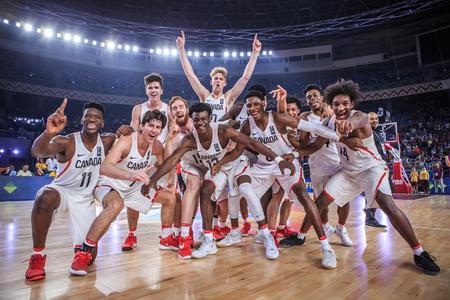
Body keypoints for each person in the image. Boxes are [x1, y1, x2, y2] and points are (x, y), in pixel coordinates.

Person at [299, 79, 440, 275]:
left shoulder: (361, 117)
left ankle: (419, 252)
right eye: (336, 104)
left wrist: (346, 124)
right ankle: (300, 236)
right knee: (320, 202)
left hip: (371, 168)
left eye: (345, 104)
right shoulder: (327, 122)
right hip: (348, 172)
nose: (340, 107)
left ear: (352, 104)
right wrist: (295, 154)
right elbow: (315, 145)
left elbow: (356, 122)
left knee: (387, 204)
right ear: (330, 105)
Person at [145, 102, 295, 260]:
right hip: (219, 169)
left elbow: (251, 142)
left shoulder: (223, 130)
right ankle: (209, 241)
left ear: (210, 119)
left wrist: (278, 160)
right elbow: (172, 159)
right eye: (196, 120)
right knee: (205, 191)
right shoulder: (190, 139)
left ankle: (266, 235)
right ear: (192, 119)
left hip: (237, 163)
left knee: (246, 190)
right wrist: (153, 180)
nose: (200, 123)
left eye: (203, 119)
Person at [237, 86, 361, 268]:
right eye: (249, 105)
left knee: (304, 196)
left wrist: (342, 139)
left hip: (287, 161)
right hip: (265, 164)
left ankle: (326, 246)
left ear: (264, 103)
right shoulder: (247, 124)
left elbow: (313, 128)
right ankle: (265, 234)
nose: (253, 108)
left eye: (256, 104)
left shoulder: (278, 118)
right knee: (241, 187)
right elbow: (245, 144)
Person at [70, 110, 175, 276]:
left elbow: (163, 166)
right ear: (141, 126)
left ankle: (166, 237)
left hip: (133, 188)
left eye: (158, 127)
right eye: (150, 125)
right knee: (115, 205)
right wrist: (130, 175)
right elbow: (104, 167)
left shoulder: (156, 146)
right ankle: (83, 252)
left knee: (170, 198)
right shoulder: (126, 142)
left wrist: (164, 182)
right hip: (109, 183)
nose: (154, 130)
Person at [25, 99, 116, 281]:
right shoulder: (66, 142)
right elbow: (38, 151)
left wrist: (127, 131)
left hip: (85, 199)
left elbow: (127, 143)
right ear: (81, 120)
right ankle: (38, 256)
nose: (92, 119)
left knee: (90, 259)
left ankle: (79, 249)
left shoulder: (107, 140)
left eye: (96, 117)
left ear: (102, 122)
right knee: (44, 196)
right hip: (63, 191)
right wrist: (48, 133)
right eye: (88, 116)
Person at [279, 84, 354, 248]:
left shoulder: (334, 113)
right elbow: (303, 144)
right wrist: (293, 138)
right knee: (321, 204)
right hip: (316, 167)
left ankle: (341, 229)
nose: (312, 99)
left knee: (343, 200)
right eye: (308, 98)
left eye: (314, 95)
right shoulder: (306, 118)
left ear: (322, 98)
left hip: (336, 163)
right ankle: (326, 227)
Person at [117, 73, 177, 252]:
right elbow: (134, 130)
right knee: (134, 193)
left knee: (171, 195)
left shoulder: (167, 109)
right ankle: (131, 234)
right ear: (146, 90)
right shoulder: (138, 109)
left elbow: (173, 133)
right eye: (150, 87)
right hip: (141, 155)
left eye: (156, 87)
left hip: (161, 154)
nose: (153, 90)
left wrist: (168, 163)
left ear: (161, 90)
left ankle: (169, 235)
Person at [176, 31, 261, 121]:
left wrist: (255, 54)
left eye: (221, 79)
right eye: (215, 78)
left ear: (225, 83)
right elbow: (190, 75)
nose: (218, 80)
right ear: (211, 82)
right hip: (206, 133)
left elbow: (245, 78)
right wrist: (181, 49)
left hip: (222, 133)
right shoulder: (205, 95)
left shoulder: (228, 97)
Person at [363, 112, 388, 228]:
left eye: (376, 118)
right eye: (371, 119)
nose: (375, 120)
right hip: (372, 166)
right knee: (373, 192)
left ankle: (370, 215)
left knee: (376, 193)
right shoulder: (366, 133)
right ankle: (369, 218)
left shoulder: (377, 133)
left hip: (381, 166)